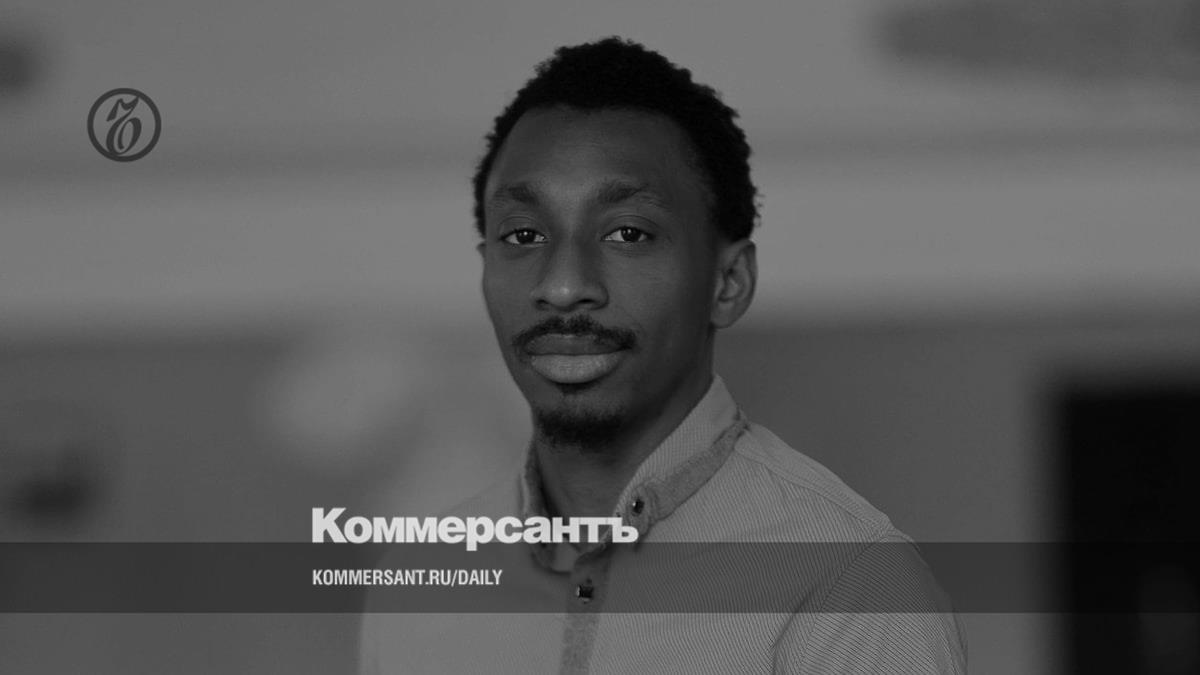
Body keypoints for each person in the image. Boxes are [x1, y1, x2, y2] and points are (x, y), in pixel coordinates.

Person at [360, 36, 966, 673]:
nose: (563, 286)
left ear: (728, 283)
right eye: (524, 235)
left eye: (628, 233)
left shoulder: (848, 586)